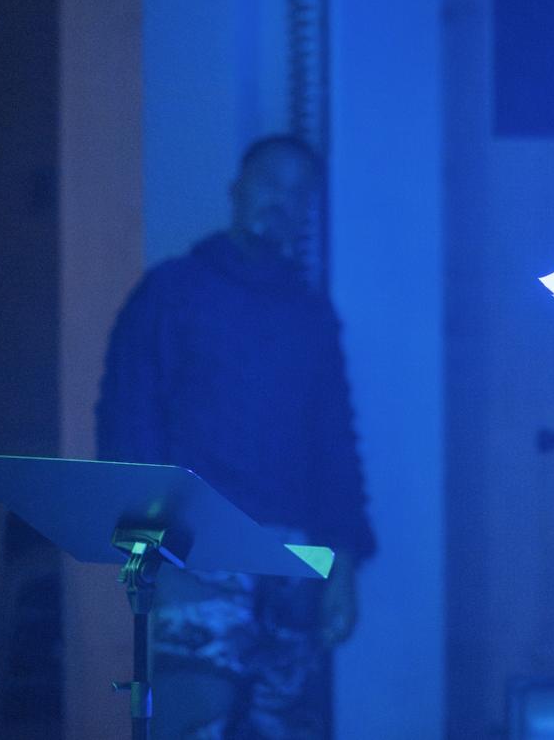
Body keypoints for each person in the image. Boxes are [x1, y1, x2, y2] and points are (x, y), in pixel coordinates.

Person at [96, 136, 376, 739]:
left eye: (299, 193)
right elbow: (128, 430)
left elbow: (334, 443)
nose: (282, 201)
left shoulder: (310, 315)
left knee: (283, 726)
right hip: (197, 556)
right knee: (192, 720)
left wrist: (343, 562)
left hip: (293, 562)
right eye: (271, 182)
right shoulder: (170, 294)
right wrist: (153, 559)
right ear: (237, 189)